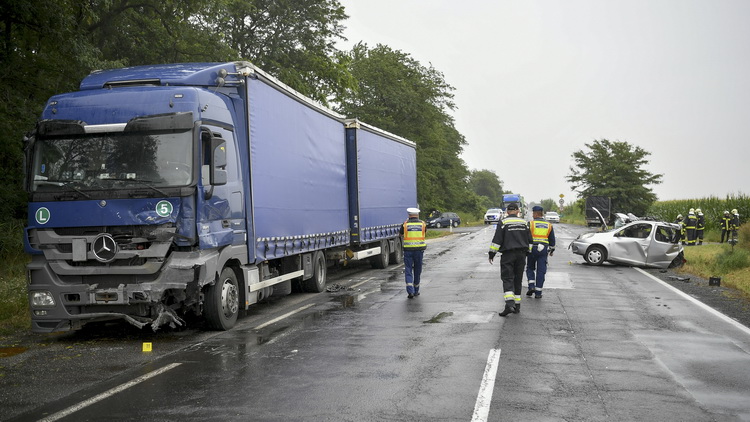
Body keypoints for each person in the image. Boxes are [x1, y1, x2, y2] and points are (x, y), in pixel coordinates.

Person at [487, 202, 533, 317]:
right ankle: (516, 306)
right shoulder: (524, 223)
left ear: (507, 212)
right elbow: (530, 240)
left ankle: (510, 303)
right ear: (518, 211)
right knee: (518, 280)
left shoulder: (503, 222)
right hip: (521, 254)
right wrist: (528, 252)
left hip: (508, 255)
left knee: (507, 278)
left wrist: (491, 253)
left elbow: (497, 240)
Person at [526, 206, 556, 299]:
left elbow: (525, 237)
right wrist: (552, 250)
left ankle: (531, 286)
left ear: (535, 214)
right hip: (543, 250)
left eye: (533, 213)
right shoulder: (549, 225)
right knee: (541, 271)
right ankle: (538, 292)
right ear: (542, 213)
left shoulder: (530, 224)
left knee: (530, 268)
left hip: (532, 249)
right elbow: (552, 240)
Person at [401, 207, 426, 298]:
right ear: (417, 215)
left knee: (408, 270)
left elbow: (400, 234)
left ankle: (410, 292)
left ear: (409, 215)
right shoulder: (423, 224)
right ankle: (416, 291)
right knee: (417, 270)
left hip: (408, 251)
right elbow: (425, 233)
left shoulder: (405, 224)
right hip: (419, 251)